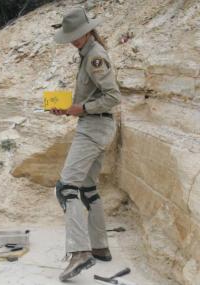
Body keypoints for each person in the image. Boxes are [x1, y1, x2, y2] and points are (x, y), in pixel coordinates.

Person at [52, 7, 121, 281]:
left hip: (94, 127)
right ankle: (100, 247)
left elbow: (113, 97)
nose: (73, 40)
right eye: (71, 36)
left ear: (88, 30)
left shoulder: (94, 57)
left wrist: (82, 108)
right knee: (88, 188)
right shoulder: (88, 54)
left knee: (67, 187)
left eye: (77, 35)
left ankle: (80, 252)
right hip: (96, 125)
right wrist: (69, 108)